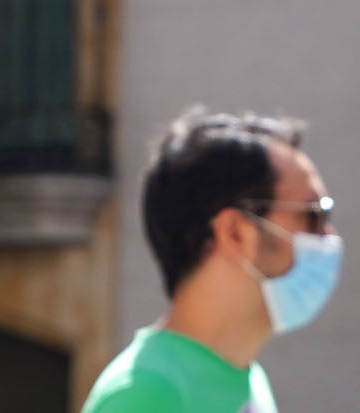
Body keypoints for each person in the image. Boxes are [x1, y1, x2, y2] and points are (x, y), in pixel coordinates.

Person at [83, 111, 343, 413]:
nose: (329, 237)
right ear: (235, 233)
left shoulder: (246, 379)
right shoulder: (145, 393)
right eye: (314, 215)